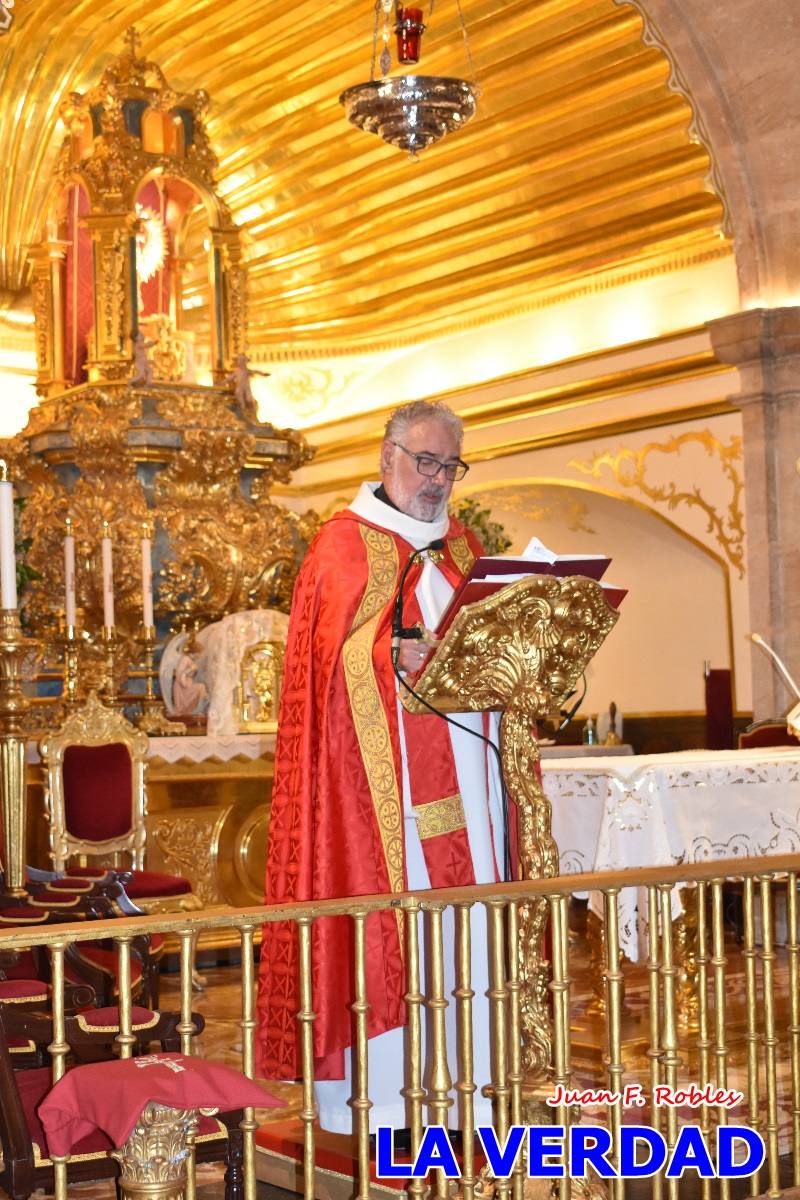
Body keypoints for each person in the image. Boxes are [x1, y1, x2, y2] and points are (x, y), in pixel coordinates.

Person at [256, 399, 507, 1133]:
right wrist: (386, 656)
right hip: (378, 805)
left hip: (472, 785)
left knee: (467, 937)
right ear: (386, 457)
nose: (436, 479)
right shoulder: (342, 546)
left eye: (449, 466)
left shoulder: (462, 551)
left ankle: (471, 1083)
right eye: (423, 460)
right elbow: (320, 675)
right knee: (396, 935)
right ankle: (381, 1100)